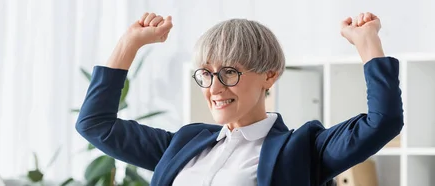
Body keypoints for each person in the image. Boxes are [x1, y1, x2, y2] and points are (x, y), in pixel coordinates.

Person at [76, 11, 403, 186]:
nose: (214, 88)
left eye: (229, 72)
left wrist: (367, 44)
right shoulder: (184, 144)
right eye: (205, 73)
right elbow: (95, 125)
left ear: (269, 75)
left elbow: (383, 122)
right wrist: (128, 45)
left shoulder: (303, 148)